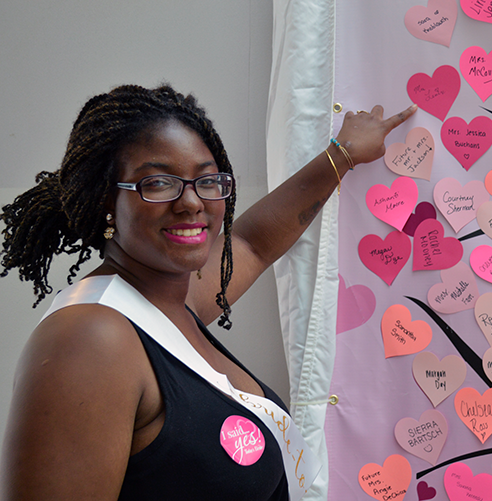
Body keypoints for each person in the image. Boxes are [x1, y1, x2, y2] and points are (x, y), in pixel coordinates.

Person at [0, 84, 416, 500]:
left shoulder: (166, 303)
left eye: (207, 180)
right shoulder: (91, 338)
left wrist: (342, 154)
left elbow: (253, 243)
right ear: (105, 199)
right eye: (160, 183)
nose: (191, 203)